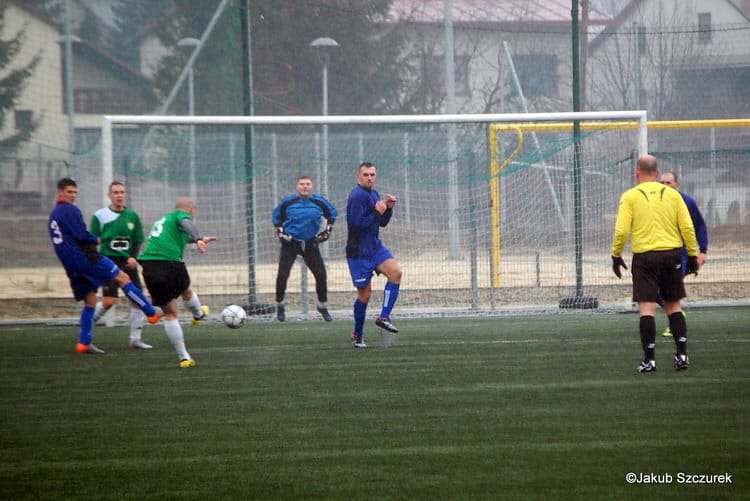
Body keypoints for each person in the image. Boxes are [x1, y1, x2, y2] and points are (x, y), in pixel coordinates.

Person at [48, 178, 162, 355]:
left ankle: (84, 343)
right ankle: (151, 312)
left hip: (70, 265)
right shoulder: (70, 210)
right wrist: (96, 240)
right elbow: (82, 235)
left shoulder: (54, 214)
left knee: (91, 301)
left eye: (75, 192)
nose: (72, 196)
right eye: (69, 192)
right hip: (87, 258)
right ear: (60, 191)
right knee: (123, 278)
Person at [611, 155, 700, 373]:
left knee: (647, 307)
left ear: (637, 172)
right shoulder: (673, 195)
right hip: (672, 255)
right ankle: (682, 355)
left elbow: (622, 230)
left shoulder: (630, 196)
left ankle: (649, 360)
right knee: (673, 305)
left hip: (645, 257)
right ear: (657, 173)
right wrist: (693, 255)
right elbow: (687, 226)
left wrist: (616, 255)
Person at [138, 197, 216, 368]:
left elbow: (180, 237)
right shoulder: (181, 215)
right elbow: (187, 224)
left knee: (170, 313)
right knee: (186, 291)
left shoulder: (164, 221)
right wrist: (198, 239)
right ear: (191, 210)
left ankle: (184, 357)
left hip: (149, 267)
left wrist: (200, 237)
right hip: (170, 263)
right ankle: (198, 315)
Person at [346, 162, 403, 348]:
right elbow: (355, 225)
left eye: (372, 174)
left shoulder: (374, 193)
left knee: (396, 273)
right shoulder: (357, 196)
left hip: (375, 248)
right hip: (359, 252)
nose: (369, 178)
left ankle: (384, 316)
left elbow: (381, 223)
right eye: (366, 175)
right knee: (365, 294)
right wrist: (376, 213)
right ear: (358, 177)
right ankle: (358, 334)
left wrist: (388, 208)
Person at [89, 181, 152, 349]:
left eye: (122, 192)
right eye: (115, 192)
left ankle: (135, 340)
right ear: (109, 195)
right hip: (108, 262)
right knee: (109, 301)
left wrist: (133, 257)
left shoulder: (132, 216)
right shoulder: (100, 216)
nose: (119, 195)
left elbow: (138, 240)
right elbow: (91, 241)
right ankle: (86, 329)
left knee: (137, 299)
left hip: (127, 264)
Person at [272, 175, 337, 322]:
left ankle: (322, 305)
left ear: (312, 186)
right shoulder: (288, 202)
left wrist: (328, 230)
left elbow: (332, 214)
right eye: (302, 184)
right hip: (291, 243)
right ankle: (280, 305)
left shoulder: (319, 202)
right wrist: (281, 232)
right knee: (283, 274)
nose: (305, 186)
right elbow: (277, 218)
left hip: (310, 243)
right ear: (297, 187)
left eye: (307, 184)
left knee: (321, 275)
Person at [659, 170, 709, 337]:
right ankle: (677, 315)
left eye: (669, 183)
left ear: (677, 184)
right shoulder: (657, 203)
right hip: (661, 253)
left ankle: (676, 323)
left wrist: (702, 251)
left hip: (682, 254)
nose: (665, 186)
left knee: (670, 289)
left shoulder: (687, 201)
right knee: (655, 292)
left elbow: (700, 226)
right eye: (662, 183)